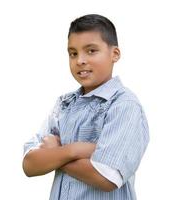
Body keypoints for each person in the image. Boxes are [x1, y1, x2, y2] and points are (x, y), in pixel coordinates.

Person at [23, 14, 149, 200]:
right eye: (73, 53)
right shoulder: (64, 104)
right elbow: (29, 165)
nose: (80, 60)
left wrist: (54, 156)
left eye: (91, 51)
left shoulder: (124, 105)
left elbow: (106, 177)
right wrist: (74, 150)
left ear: (115, 54)